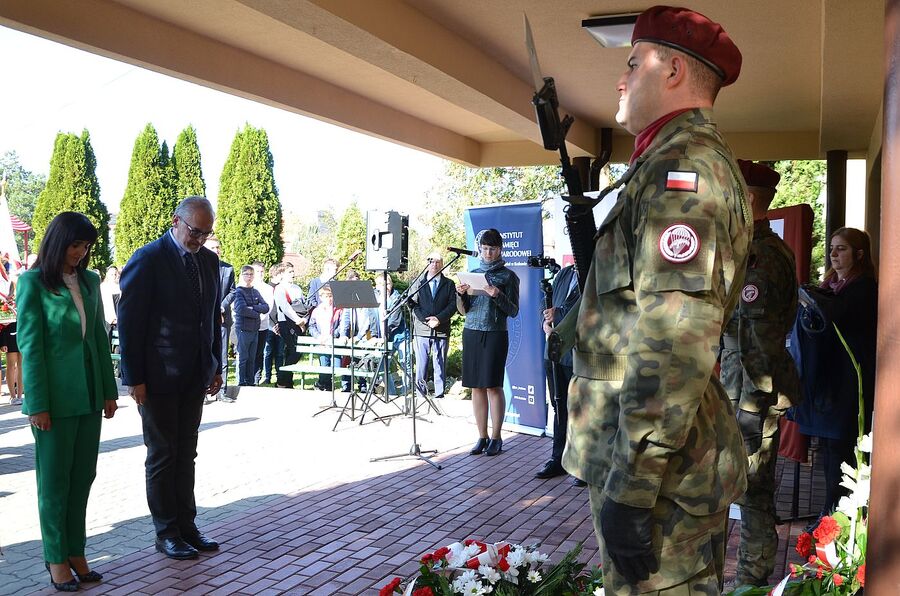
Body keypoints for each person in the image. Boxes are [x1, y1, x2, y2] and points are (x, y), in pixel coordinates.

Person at [553, 6, 750, 592]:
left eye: (634, 63)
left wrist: (633, 488)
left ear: (673, 71)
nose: (620, 79)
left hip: (661, 481)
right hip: (653, 466)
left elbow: (674, 342)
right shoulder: (660, 164)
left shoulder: (683, 172)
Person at [117, 196, 223, 560]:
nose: (199, 239)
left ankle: (187, 526)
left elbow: (212, 318)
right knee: (163, 454)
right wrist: (134, 377)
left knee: (186, 453)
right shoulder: (147, 259)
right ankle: (166, 532)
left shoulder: (209, 261)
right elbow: (130, 323)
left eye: (206, 233)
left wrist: (215, 365)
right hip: (158, 377)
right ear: (176, 221)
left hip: (195, 373)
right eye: (195, 231)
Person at [18, 212, 118, 591]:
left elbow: (97, 338)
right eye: (76, 244)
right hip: (54, 402)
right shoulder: (32, 283)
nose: (81, 252)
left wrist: (108, 391)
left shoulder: (90, 280)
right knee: (54, 482)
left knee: (82, 478)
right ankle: (56, 557)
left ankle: (77, 551)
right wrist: (37, 404)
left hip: (90, 395)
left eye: (86, 246)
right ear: (59, 242)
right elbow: (31, 347)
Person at [720, 161, 800, 588]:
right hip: (742, 387)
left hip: (752, 390)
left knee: (752, 489)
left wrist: (752, 406)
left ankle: (750, 582)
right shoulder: (750, 248)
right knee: (738, 485)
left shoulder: (761, 256)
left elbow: (759, 340)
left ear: (748, 198)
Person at [790, 227, 877, 519]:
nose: (833, 254)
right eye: (831, 248)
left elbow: (837, 318)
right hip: (827, 385)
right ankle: (829, 517)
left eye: (841, 249)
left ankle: (837, 521)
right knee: (827, 453)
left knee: (841, 454)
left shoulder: (863, 289)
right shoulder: (831, 286)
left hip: (849, 386)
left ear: (859, 254)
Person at [456, 228, 519, 457]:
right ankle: (481, 436)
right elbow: (463, 311)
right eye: (484, 248)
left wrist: (497, 295)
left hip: (495, 333)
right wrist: (461, 295)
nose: (488, 253)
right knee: (476, 386)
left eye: (492, 249)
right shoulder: (472, 273)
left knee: (493, 385)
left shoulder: (508, 276)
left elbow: (513, 310)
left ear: (500, 249)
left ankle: (496, 437)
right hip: (471, 331)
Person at [535, 263, 580, 481]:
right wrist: (544, 322)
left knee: (579, 409)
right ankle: (558, 459)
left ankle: (581, 463)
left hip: (578, 355)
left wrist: (558, 314)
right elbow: (546, 305)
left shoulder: (594, 272)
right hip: (553, 353)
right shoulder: (564, 273)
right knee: (559, 406)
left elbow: (588, 309)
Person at [411, 253, 456, 401]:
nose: (434, 265)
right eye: (432, 261)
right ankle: (420, 394)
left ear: (442, 264)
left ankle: (439, 394)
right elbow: (413, 304)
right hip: (421, 330)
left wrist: (438, 319)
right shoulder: (418, 282)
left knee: (440, 363)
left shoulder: (449, 284)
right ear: (427, 263)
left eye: (438, 262)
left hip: (441, 330)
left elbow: (453, 306)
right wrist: (426, 320)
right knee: (421, 364)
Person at [224, 265, 269, 387]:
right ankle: (241, 382)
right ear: (241, 275)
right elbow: (242, 309)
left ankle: (250, 382)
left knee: (252, 358)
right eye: (246, 274)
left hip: (255, 329)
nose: (249, 276)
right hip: (243, 329)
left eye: (251, 274)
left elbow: (266, 307)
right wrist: (257, 312)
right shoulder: (238, 291)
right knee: (243, 358)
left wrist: (253, 307)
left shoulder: (255, 291)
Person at [203, 236, 234, 402]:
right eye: (212, 248)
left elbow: (233, 291)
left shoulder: (228, 269)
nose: (216, 250)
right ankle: (202, 391)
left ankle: (222, 390)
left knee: (222, 354)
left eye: (217, 247)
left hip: (222, 318)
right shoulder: (199, 266)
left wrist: (221, 307)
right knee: (203, 353)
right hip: (203, 319)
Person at [273, 262, 305, 388]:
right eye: (289, 272)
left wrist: (303, 320)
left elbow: (303, 306)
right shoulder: (279, 289)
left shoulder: (297, 288)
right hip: (286, 322)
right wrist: (298, 320)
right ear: (282, 274)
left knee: (293, 352)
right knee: (294, 351)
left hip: (299, 323)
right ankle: (281, 379)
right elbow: (284, 307)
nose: (293, 274)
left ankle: (287, 381)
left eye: (293, 271)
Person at [251, 261, 274, 384]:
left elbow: (268, 306)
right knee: (246, 353)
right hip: (247, 325)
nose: (260, 274)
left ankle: (256, 378)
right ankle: (245, 378)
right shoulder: (245, 286)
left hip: (262, 325)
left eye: (262, 271)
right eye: (257, 271)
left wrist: (259, 316)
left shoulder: (268, 288)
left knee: (259, 353)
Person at [262, 263, 284, 384]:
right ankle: (267, 376)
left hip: (281, 324)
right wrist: (272, 324)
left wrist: (280, 324)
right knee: (268, 352)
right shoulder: (267, 288)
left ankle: (280, 376)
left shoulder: (282, 288)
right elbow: (267, 307)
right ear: (276, 274)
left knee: (280, 353)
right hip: (269, 324)